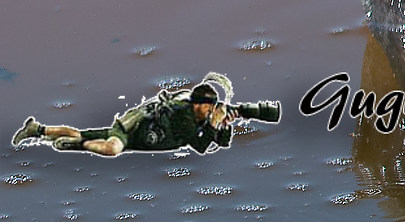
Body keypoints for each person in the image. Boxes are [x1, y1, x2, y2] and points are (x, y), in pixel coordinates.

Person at [12, 74, 279, 155]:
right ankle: (75, 145)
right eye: (208, 107)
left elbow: (221, 143)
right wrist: (213, 124)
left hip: (137, 135)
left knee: (84, 132)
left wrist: (224, 124)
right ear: (197, 104)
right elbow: (199, 146)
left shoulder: (203, 117)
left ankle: (37, 129)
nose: (211, 111)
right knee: (111, 148)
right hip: (131, 133)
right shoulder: (183, 115)